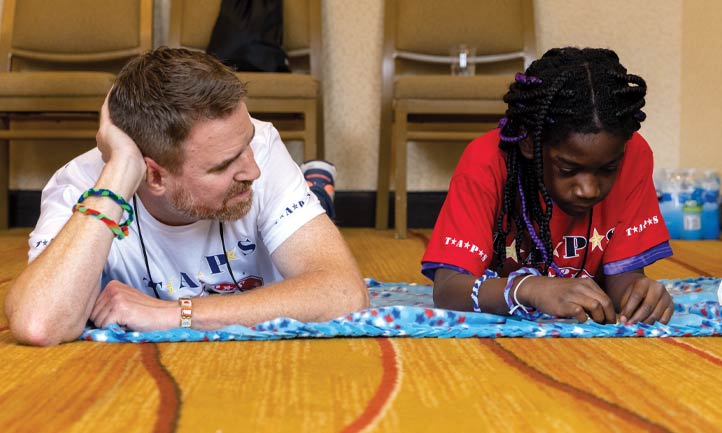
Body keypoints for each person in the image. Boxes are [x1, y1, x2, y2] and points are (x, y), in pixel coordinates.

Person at [5, 47, 368, 346]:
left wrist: (177, 313)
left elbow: (343, 293)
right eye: (223, 165)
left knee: (314, 204)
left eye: (247, 144)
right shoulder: (80, 186)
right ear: (154, 175)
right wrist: (118, 178)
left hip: (272, 220)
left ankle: (315, 187)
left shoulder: (262, 148)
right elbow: (38, 324)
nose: (253, 170)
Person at [422, 47, 674, 325]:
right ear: (529, 143)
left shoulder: (633, 154)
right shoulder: (486, 161)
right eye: (568, 169)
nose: (588, 189)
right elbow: (448, 290)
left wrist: (640, 296)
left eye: (608, 169)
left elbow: (622, 278)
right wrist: (528, 289)